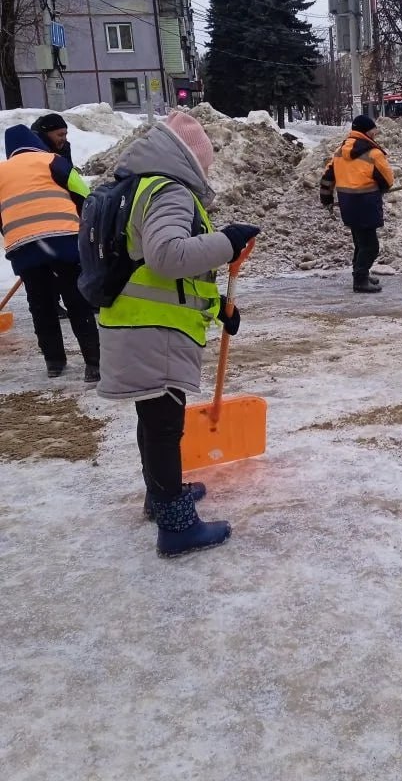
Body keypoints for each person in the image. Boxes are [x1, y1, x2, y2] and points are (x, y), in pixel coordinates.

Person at [95, 111, 259, 558]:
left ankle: (161, 496)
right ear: (189, 159)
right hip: (154, 332)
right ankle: (177, 526)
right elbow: (167, 257)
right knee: (164, 426)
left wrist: (218, 308)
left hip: (137, 325)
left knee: (154, 421)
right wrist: (228, 240)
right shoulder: (169, 190)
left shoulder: (141, 187)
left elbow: (163, 276)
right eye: (204, 164)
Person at [0, 125, 100, 380]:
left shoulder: (1, 171)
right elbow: (84, 196)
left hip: (24, 246)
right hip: (63, 241)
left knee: (41, 304)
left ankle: (54, 362)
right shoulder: (52, 161)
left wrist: (18, 236)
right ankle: (94, 364)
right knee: (76, 300)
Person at [319, 115, 395, 293]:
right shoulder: (373, 153)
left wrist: (326, 199)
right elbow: (387, 180)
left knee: (360, 243)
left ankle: (361, 274)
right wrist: (381, 188)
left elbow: (327, 178)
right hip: (366, 204)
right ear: (367, 131)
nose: (375, 132)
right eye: (373, 129)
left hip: (347, 203)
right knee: (371, 247)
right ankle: (360, 280)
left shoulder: (340, 151)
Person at [32, 114, 77, 317]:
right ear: (46, 133)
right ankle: (51, 302)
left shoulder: (63, 149)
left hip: (62, 208)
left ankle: (77, 299)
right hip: (39, 211)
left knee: (68, 259)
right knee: (46, 259)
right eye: (60, 134)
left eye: (65, 134)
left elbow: (69, 177)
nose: (63, 138)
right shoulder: (34, 151)